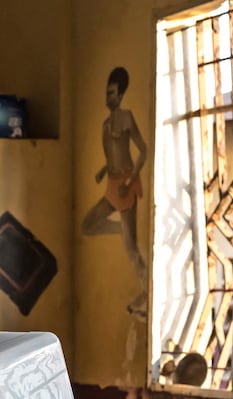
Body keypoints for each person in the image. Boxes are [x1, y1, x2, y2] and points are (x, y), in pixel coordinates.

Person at [80, 66, 148, 315]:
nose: (108, 98)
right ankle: (121, 228)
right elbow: (113, 157)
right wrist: (102, 171)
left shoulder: (127, 117)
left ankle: (147, 292)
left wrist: (129, 183)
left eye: (112, 93)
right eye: (106, 93)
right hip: (112, 185)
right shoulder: (105, 124)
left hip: (126, 186)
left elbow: (143, 150)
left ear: (121, 95)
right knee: (87, 225)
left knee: (131, 250)